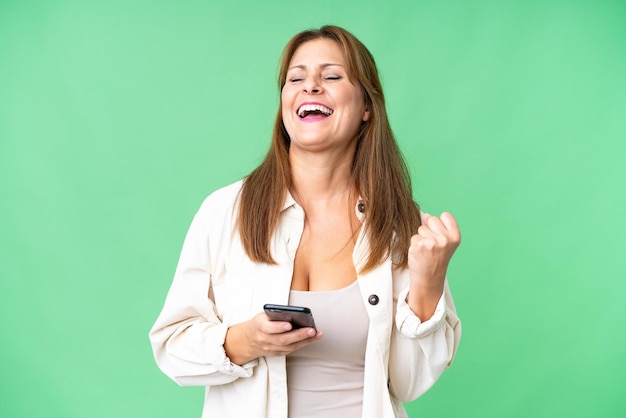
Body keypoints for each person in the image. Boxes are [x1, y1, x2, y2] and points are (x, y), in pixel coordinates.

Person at [149, 25, 462, 418]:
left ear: (367, 107)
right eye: (296, 78)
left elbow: (408, 383)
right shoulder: (225, 211)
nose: (310, 86)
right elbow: (171, 346)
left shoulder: (401, 224)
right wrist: (244, 341)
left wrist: (428, 284)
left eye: (331, 76)